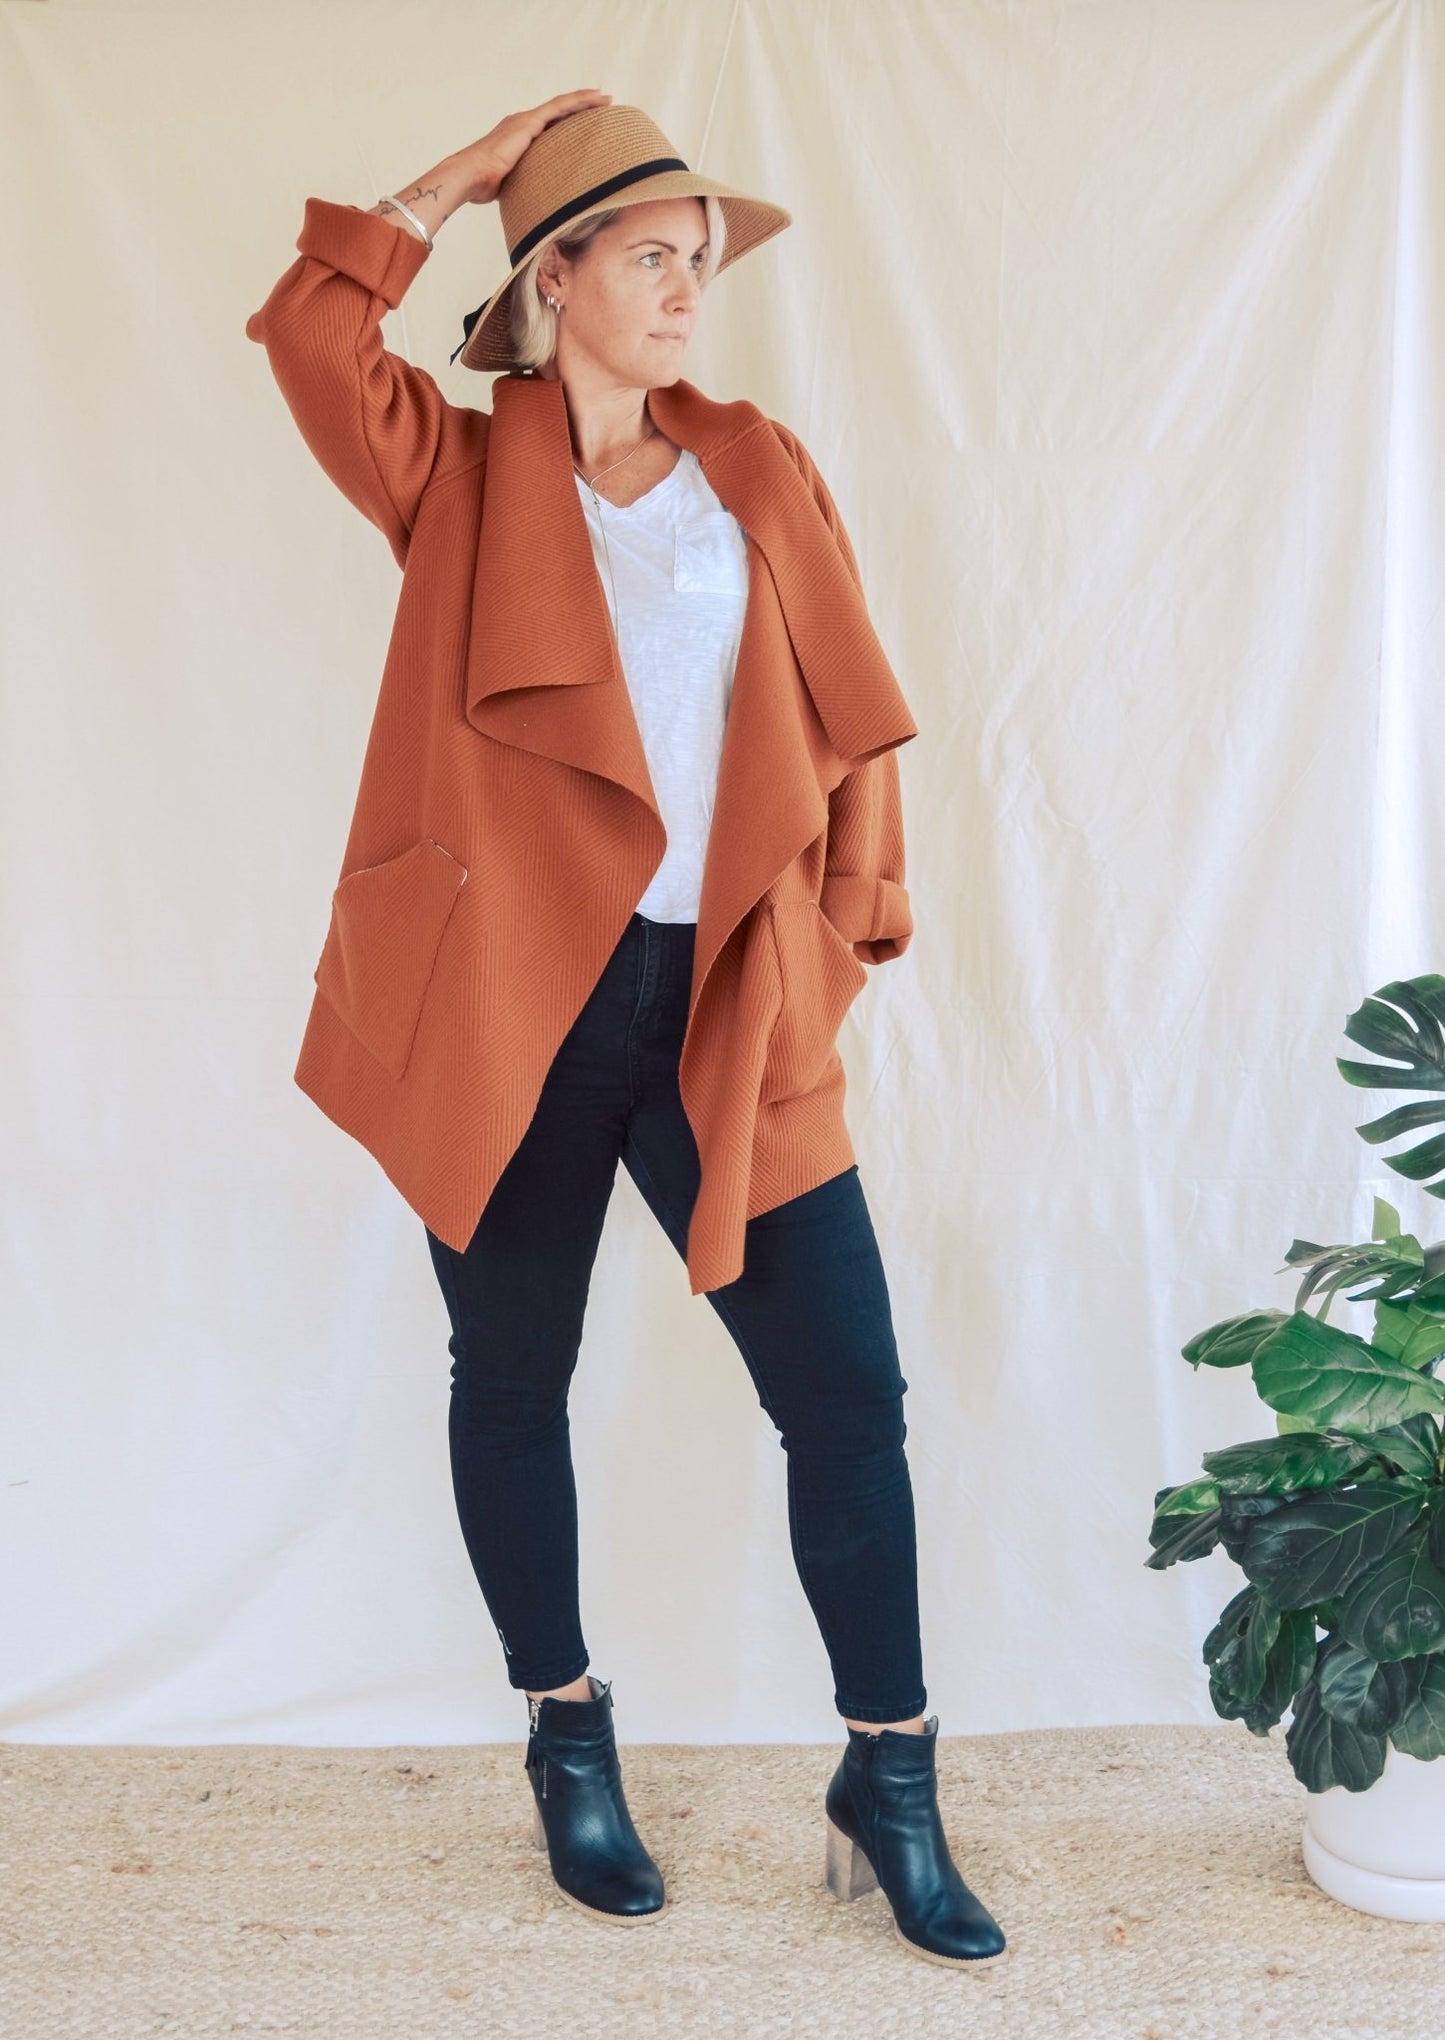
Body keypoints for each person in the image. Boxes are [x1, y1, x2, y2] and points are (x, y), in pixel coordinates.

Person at [245, 90, 1005, 1967]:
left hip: (725, 992)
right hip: (513, 995)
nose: (684, 290)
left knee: (846, 1395)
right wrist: (455, 178)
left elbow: (844, 717)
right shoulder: (458, 472)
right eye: (649, 256)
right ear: (553, 276)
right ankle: (564, 1731)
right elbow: (314, 339)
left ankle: (890, 1777)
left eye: (698, 263)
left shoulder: (756, 465)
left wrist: (843, 922)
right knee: (510, 1379)